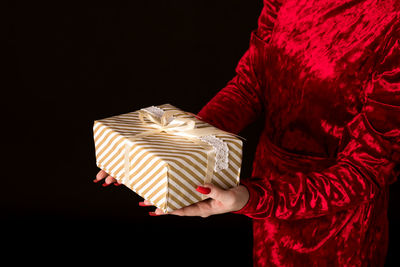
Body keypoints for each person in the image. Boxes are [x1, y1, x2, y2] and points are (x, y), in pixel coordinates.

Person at [94, 0, 400, 266]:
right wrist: (169, 150)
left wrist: (255, 198)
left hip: (337, 224)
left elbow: (366, 170)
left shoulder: (392, 19)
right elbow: (251, 86)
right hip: (266, 192)